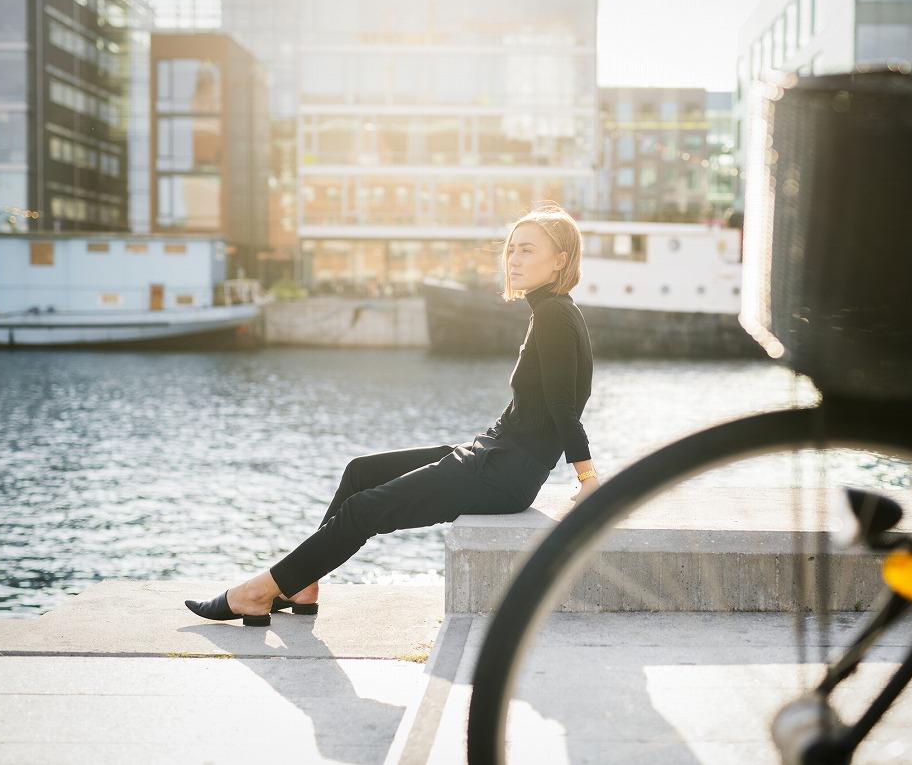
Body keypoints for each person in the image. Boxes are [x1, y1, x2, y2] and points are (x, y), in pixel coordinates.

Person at [186, 202, 601, 626]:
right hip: (491, 455)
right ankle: (302, 583)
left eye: (528, 250)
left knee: (364, 510)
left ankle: (257, 593)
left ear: (561, 260)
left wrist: (588, 480)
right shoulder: (552, 310)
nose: (513, 259)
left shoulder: (553, 316)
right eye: (512, 249)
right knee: (361, 472)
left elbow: (563, 408)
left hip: (502, 474)